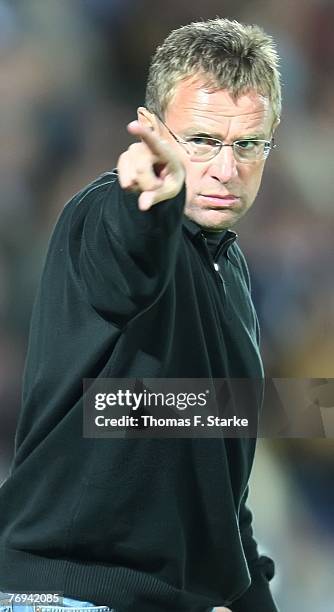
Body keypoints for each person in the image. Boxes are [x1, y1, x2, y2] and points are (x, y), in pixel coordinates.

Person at [0, 17, 281, 612]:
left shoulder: (229, 273)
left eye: (248, 145)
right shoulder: (103, 213)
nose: (226, 170)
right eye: (202, 141)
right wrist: (147, 201)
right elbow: (132, 258)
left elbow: (221, 492)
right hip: (65, 596)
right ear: (151, 131)